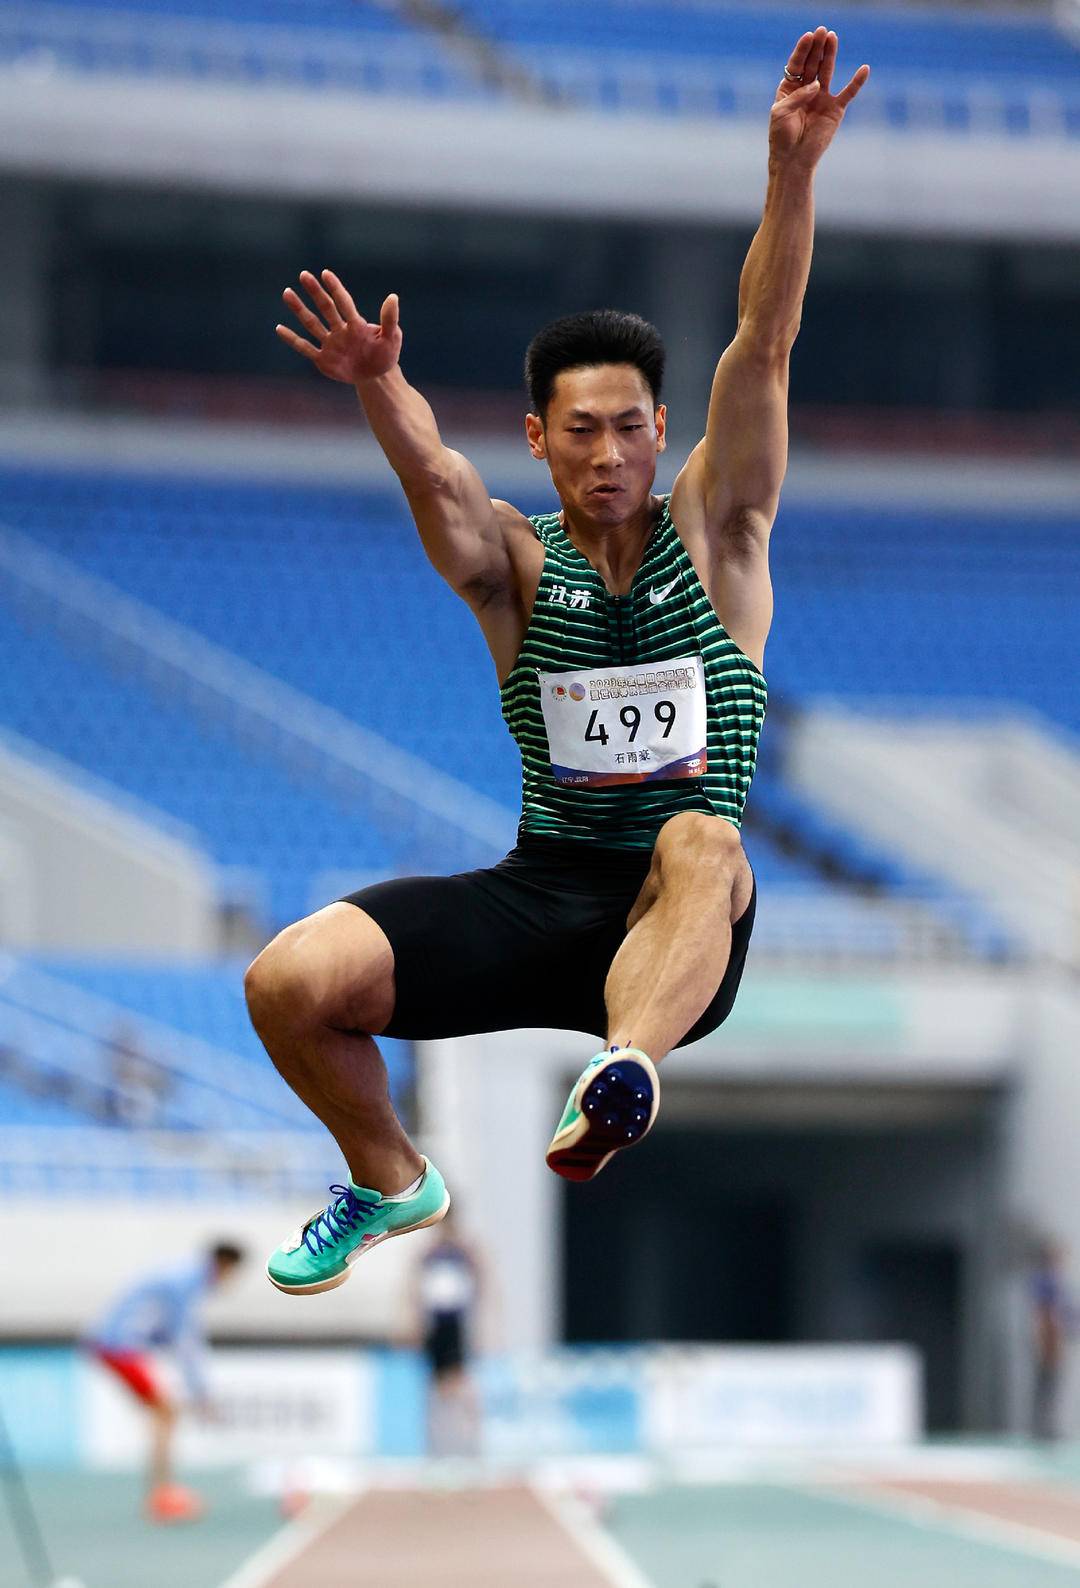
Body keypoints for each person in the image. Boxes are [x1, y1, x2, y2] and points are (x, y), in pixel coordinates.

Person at [247, 28, 870, 1296]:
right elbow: (435, 475)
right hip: (540, 894)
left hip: (674, 920)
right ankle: (388, 1178)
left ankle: (621, 1074)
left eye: (633, 427)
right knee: (288, 979)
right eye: (581, 431)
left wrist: (790, 175)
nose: (612, 455)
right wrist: (380, 383)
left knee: (706, 838)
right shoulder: (517, 566)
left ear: (660, 431)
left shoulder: (721, 530)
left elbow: (763, 343)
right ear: (540, 439)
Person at [85, 1241, 245, 1520]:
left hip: (116, 1342)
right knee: (166, 1413)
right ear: (225, 1265)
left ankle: (161, 1491)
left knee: (164, 1413)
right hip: (118, 1345)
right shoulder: (187, 1283)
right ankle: (161, 1495)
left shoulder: (183, 1273)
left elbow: (162, 1329)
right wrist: (201, 1392)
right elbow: (183, 1340)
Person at [410, 1206, 486, 1456]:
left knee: (459, 1381)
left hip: (455, 1322)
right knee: (436, 1384)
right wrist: (415, 1322)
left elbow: (482, 1283)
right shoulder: (429, 1252)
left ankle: (472, 1440)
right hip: (436, 1323)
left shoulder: (464, 1251)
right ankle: (438, 1446)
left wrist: (486, 1324)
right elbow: (415, 1290)